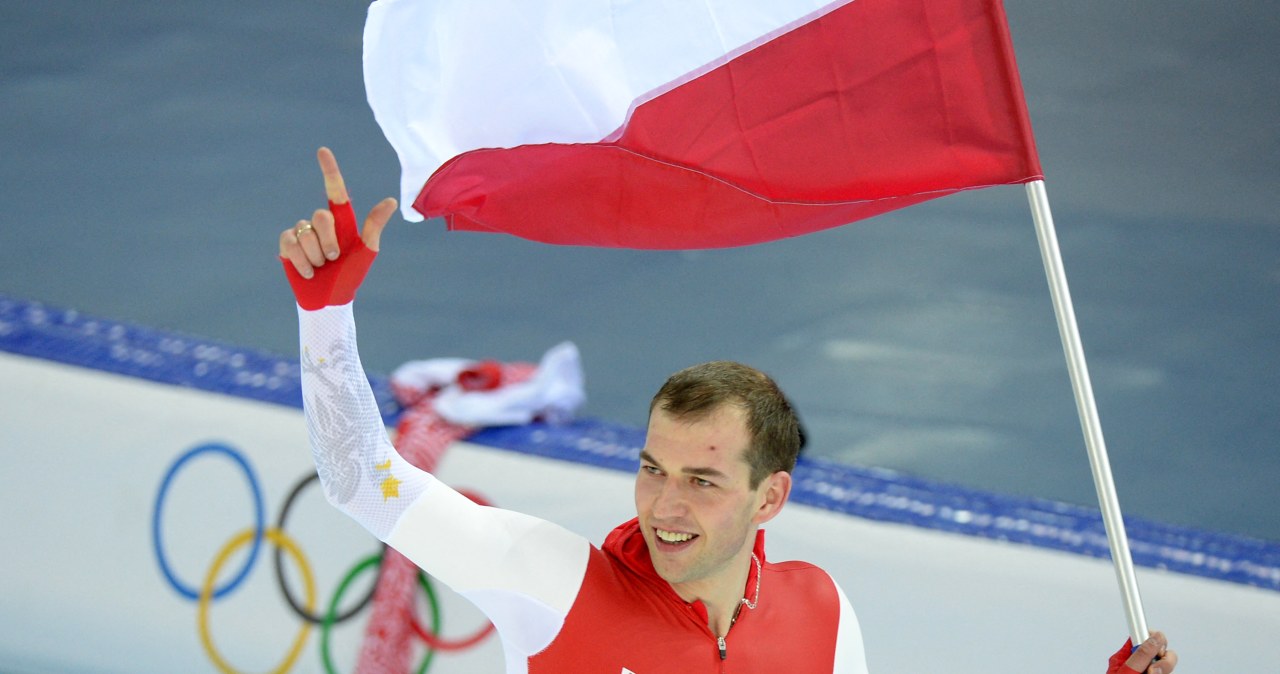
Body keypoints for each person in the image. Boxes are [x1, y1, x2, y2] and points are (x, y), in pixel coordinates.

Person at [278, 147, 1178, 673]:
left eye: (703, 481)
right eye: (652, 469)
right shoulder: (550, 580)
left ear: (769, 497)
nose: (664, 505)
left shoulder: (820, 613)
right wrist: (326, 316)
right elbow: (362, 482)